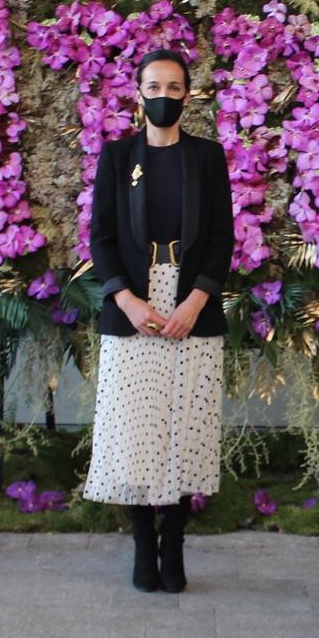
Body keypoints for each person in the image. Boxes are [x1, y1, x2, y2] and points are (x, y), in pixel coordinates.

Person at [84, 50, 233, 594]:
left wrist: (196, 301)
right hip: (134, 305)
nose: (163, 95)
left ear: (188, 95)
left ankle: (176, 544)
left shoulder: (207, 157)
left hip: (191, 303)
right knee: (137, 428)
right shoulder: (118, 157)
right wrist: (125, 299)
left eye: (174, 87)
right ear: (137, 92)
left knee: (182, 427)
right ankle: (144, 544)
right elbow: (99, 237)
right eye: (154, 85)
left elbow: (221, 239)